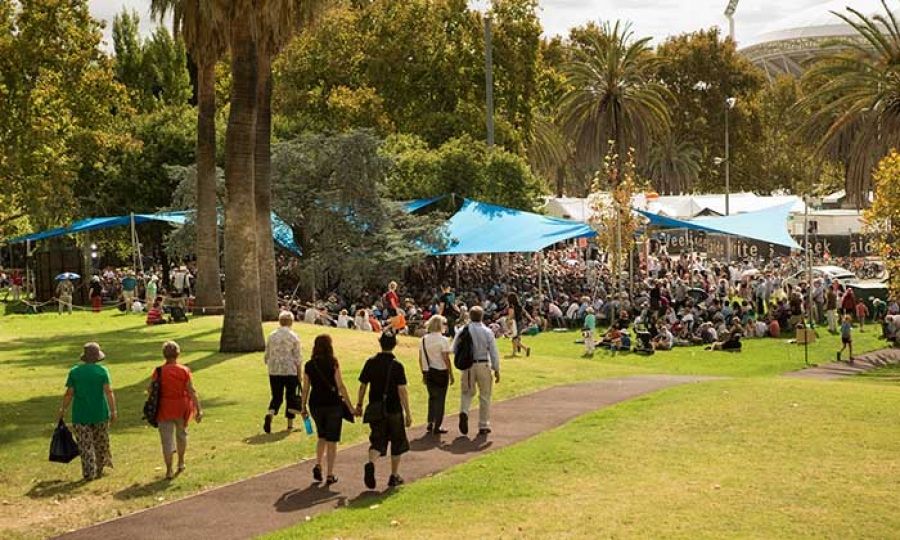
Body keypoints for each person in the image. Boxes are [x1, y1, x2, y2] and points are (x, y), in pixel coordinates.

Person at [355, 331, 412, 489]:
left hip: (376, 407)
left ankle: (371, 463)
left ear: (380, 343)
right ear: (394, 344)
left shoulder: (371, 362)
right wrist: (407, 412)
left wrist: (359, 404)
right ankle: (393, 475)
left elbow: (363, 385)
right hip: (393, 408)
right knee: (397, 441)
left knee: (377, 440)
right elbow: (402, 390)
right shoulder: (397, 365)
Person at [57, 343, 117, 480]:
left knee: (85, 445)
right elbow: (108, 392)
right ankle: (100, 467)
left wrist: (63, 409)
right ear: (97, 358)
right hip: (100, 412)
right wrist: (113, 411)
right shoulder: (102, 372)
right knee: (100, 441)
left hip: (80, 414)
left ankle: (89, 472)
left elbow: (69, 393)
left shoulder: (75, 372)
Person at [301, 335, 354, 486]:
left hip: (316, 403)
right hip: (333, 404)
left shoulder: (309, 365)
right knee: (332, 440)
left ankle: (318, 463)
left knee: (321, 435)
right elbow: (340, 386)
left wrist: (303, 406)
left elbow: (305, 388)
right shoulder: (333, 363)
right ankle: (330, 474)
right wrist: (350, 407)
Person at [151, 341, 203, 479]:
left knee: (166, 440)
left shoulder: (158, 371)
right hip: (181, 406)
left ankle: (168, 470)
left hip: (164, 407)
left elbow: (151, 389)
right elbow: (191, 390)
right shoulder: (184, 370)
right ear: (177, 354)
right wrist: (198, 408)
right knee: (181, 435)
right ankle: (180, 462)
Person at [455, 306, 500, 436]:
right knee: (485, 395)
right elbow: (493, 352)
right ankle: (483, 424)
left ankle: (464, 411)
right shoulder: (487, 332)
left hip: (468, 365)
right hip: (483, 363)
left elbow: (455, 348)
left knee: (466, 392)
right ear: (482, 316)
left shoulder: (463, 330)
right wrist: (496, 369)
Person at [263, 311, 302, 433]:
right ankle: (289, 425)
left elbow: (267, 355)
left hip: (274, 370)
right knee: (291, 397)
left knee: (276, 396)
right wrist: (299, 375)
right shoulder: (294, 336)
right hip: (290, 370)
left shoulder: (272, 335)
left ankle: (270, 413)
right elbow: (298, 358)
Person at [418, 315, 453, 434]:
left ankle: (430, 421)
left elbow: (420, 358)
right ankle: (437, 424)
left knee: (432, 398)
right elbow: (446, 358)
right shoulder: (443, 340)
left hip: (428, 371)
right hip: (441, 371)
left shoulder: (423, 339)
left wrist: (423, 372)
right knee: (440, 399)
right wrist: (451, 373)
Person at [507, 292, 532, 357]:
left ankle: (525, 349)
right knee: (515, 339)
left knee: (514, 339)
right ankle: (514, 352)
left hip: (515, 323)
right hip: (521, 322)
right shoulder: (519, 305)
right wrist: (531, 319)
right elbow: (525, 313)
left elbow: (511, 315)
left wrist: (508, 321)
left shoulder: (511, 306)